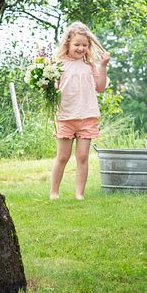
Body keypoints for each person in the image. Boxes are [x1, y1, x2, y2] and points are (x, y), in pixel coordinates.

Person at [49, 21, 110, 200]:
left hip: (87, 116)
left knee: (82, 156)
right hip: (66, 116)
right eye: (77, 44)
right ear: (68, 43)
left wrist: (103, 66)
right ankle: (54, 191)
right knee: (62, 156)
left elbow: (100, 88)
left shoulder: (90, 65)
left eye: (84, 45)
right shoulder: (58, 65)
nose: (81, 48)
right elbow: (52, 88)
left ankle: (79, 194)